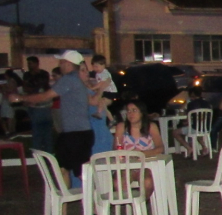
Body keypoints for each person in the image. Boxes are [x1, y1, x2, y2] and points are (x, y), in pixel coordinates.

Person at [9, 51, 95, 186]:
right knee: (64, 168)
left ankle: (93, 203)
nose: (59, 65)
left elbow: (46, 96)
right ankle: (66, 204)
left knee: (79, 172)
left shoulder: (69, 79)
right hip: (76, 133)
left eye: (61, 62)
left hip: (76, 134)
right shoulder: (75, 80)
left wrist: (20, 98)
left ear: (67, 63)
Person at [114, 100, 165, 195]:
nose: (130, 114)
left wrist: (142, 154)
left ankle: (141, 204)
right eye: (128, 111)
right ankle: (131, 206)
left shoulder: (151, 126)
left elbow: (160, 147)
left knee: (147, 182)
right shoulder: (122, 127)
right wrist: (127, 154)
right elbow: (116, 148)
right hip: (127, 165)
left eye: (134, 110)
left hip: (145, 164)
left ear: (142, 113)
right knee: (119, 183)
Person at [22, 56, 53, 153]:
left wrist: (32, 91)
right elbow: (25, 87)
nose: (29, 65)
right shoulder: (27, 75)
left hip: (42, 105)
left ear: (36, 63)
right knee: (37, 129)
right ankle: (40, 151)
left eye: (30, 63)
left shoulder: (43, 74)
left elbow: (40, 87)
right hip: (32, 105)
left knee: (42, 130)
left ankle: (44, 151)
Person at [172, 87, 213, 157]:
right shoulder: (207, 103)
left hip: (195, 128)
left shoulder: (191, 104)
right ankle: (204, 147)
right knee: (197, 130)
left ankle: (189, 148)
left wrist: (185, 122)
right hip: (206, 128)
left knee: (175, 132)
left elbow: (188, 119)